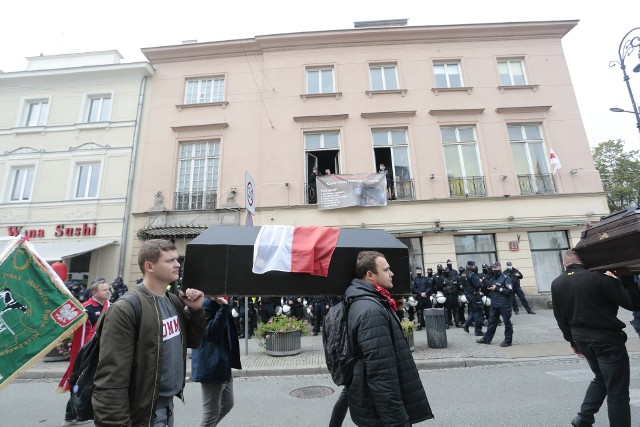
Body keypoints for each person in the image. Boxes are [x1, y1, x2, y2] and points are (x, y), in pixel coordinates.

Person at [92, 239, 205, 426]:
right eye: (169, 261)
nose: (177, 264)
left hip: (166, 409)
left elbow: (193, 342)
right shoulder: (125, 309)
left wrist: (196, 311)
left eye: (177, 259)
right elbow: (111, 378)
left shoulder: (174, 301)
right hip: (142, 414)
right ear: (149, 266)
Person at [343, 250, 433, 425]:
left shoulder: (371, 301)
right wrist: (397, 421)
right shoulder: (371, 310)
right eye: (386, 270)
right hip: (380, 414)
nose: (392, 273)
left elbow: (387, 341)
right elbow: (381, 374)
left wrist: (397, 312)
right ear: (370, 275)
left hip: (374, 409)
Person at [551, 249, 640, 427]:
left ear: (565, 264)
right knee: (617, 391)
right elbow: (633, 304)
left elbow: (559, 317)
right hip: (607, 340)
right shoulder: (600, 279)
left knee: (600, 377)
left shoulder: (557, 283)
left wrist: (572, 342)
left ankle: (584, 418)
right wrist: (626, 278)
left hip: (581, 339)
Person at [60, 278, 112, 426]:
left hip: (103, 351)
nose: (108, 291)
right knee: (81, 383)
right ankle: (73, 415)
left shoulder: (111, 306)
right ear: (94, 292)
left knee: (94, 383)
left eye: (108, 289)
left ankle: (78, 414)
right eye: (104, 289)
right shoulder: (84, 308)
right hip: (86, 352)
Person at [191, 296, 242, 427]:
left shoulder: (222, 300)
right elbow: (211, 333)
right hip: (211, 364)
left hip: (223, 361)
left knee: (227, 404)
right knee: (210, 415)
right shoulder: (206, 303)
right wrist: (224, 308)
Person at [477, 261, 514, 347]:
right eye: (492, 268)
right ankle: (487, 339)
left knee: (507, 323)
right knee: (491, 322)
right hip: (494, 304)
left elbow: (509, 291)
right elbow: (488, 287)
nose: (493, 269)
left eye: (495, 267)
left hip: (505, 305)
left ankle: (508, 341)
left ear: (499, 267)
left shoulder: (505, 278)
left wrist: (497, 289)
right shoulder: (492, 278)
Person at [462, 261, 484, 337]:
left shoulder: (463, 273)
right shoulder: (472, 274)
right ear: (471, 266)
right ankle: (478, 330)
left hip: (468, 294)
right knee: (478, 312)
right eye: (474, 266)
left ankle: (466, 324)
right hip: (474, 294)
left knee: (474, 310)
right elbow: (478, 285)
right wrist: (481, 281)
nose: (475, 267)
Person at [411, 266, 432, 331]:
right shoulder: (414, 280)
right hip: (419, 297)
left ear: (421, 271)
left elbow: (430, 287)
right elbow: (413, 288)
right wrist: (420, 293)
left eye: (419, 271)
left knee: (428, 311)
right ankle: (420, 325)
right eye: (417, 271)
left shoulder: (426, 279)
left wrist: (425, 293)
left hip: (426, 297)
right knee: (419, 312)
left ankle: (430, 325)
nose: (418, 272)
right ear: (416, 272)